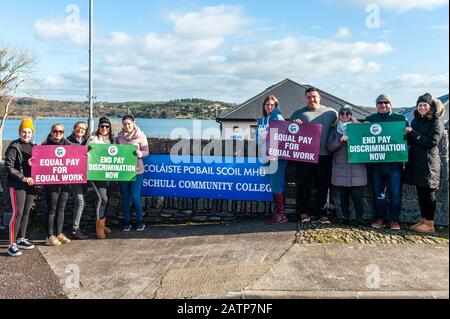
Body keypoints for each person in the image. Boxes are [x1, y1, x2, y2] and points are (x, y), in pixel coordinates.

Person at [290, 87, 338, 224]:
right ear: (305, 99)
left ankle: (323, 214)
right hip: (305, 156)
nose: (312, 99)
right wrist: (294, 124)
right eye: (309, 97)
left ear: (319, 97)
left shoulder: (331, 113)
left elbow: (344, 124)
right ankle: (304, 213)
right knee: (304, 185)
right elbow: (289, 132)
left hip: (325, 155)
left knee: (323, 186)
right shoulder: (298, 113)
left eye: (314, 96)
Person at [365, 95, 407, 231]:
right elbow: (361, 136)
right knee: (378, 193)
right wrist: (363, 128)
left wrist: (407, 132)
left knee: (395, 193)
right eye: (379, 103)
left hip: (394, 163)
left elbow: (407, 140)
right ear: (376, 105)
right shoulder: (370, 120)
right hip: (376, 163)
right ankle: (380, 217)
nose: (383, 105)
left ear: (390, 104)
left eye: (385, 102)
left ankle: (394, 219)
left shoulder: (400, 119)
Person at [405, 94, 445, 233]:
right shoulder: (416, 121)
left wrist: (413, 133)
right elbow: (412, 139)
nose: (422, 107)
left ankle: (429, 224)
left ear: (430, 107)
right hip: (417, 162)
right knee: (421, 193)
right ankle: (423, 221)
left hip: (429, 164)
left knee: (428, 194)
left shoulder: (436, 122)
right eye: (420, 105)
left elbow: (432, 142)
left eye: (425, 105)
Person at [327, 106, 367, 226]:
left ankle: (360, 219)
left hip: (357, 169)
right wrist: (340, 140)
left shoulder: (358, 128)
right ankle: (345, 218)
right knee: (343, 198)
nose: (345, 115)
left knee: (357, 198)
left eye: (347, 113)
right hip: (340, 170)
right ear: (339, 115)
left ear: (351, 115)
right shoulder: (334, 130)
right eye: (342, 113)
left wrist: (369, 126)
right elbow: (329, 147)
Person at [4, 119, 37, 256]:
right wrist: (23, 178)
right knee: (17, 213)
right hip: (17, 184)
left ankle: (21, 239)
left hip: (31, 184)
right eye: (24, 131)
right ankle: (11, 244)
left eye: (29, 132)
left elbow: (40, 164)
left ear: (32, 133)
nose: (26, 134)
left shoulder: (34, 146)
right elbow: (9, 167)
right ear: (20, 132)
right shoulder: (14, 146)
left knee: (26, 212)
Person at [256, 95, 288, 225]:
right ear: (264, 106)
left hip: (277, 158)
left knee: (275, 184)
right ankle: (278, 212)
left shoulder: (278, 118)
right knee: (272, 184)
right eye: (267, 105)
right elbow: (257, 140)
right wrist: (263, 138)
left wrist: (268, 138)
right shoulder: (262, 120)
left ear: (276, 106)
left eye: (272, 105)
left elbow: (283, 138)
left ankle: (281, 214)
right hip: (265, 157)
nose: (269, 107)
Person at [117, 115, 149, 232]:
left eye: (129, 124)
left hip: (137, 171)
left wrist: (140, 153)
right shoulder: (120, 136)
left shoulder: (141, 135)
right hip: (123, 170)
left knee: (135, 197)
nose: (127, 126)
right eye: (124, 124)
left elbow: (146, 151)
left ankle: (140, 221)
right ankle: (127, 221)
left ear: (134, 123)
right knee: (125, 197)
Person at [43, 124, 72, 246]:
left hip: (65, 182)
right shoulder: (45, 145)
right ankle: (49, 236)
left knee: (61, 208)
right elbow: (40, 162)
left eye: (61, 131)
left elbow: (76, 160)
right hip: (51, 181)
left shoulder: (69, 145)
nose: (58, 133)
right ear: (51, 132)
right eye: (55, 131)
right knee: (52, 209)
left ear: (64, 132)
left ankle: (59, 234)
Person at [87, 117, 114, 239]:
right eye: (102, 126)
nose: (104, 129)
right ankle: (99, 229)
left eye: (107, 126)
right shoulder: (93, 138)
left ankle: (103, 224)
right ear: (98, 127)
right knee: (102, 199)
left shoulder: (113, 140)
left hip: (110, 174)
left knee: (108, 199)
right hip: (96, 174)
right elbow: (88, 153)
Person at [67, 121, 89, 240]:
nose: (80, 130)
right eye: (78, 128)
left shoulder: (87, 142)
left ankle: (77, 227)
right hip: (72, 175)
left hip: (84, 175)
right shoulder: (68, 141)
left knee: (78, 201)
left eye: (83, 129)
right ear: (74, 128)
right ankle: (75, 229)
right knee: (80, 201)